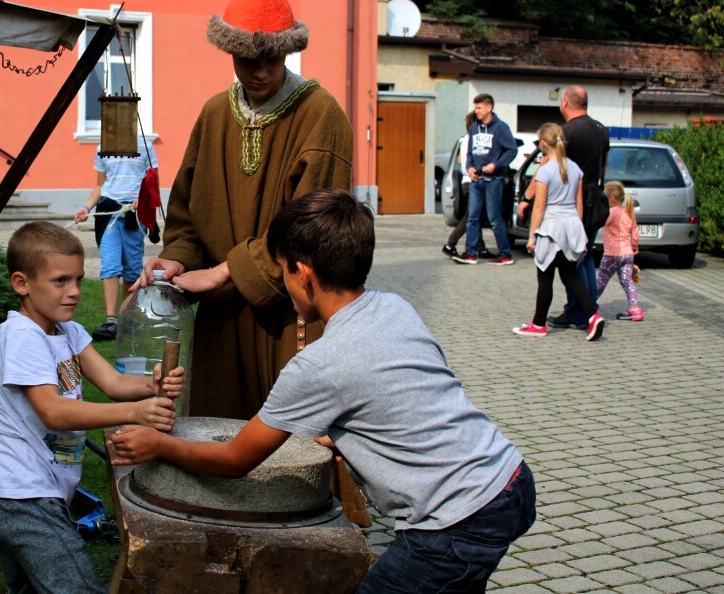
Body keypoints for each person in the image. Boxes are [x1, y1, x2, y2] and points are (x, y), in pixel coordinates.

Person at [111, 189, 536, 593]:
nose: (282, 280)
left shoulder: (319, 363)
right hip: (509, 479)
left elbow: (234, 459)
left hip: (455, 519)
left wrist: (157, 445)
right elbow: (414, 395)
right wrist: (351, 432)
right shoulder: (393, 306)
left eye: (281, 270)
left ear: (303, 273)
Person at [137, 0, 353, 420]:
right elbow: (187, 218)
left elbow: (315, 232)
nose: (258, 71)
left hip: (293, 313)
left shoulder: (321, 114)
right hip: (222, 320)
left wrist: (224, 272)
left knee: (292, 453)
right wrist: (178, 256)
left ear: (288, 51)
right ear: (230, 51)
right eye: (246, 58)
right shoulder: (216, 113)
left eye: (271, 58)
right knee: (217, 444)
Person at [0, 221, 183, 594]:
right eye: (60, 281)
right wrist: (135, 413)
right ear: (21, 283)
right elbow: (53, 411)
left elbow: (114, 382)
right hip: (21, 496)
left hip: (37, 493)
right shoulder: (21, 335)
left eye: (78, 279)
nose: (73, 292)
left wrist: (151, 385)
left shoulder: (66, 331)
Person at [513, 123, 605, 341]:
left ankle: (538, 324)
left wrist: (532, 235)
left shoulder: (545, 171)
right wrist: (578, 231)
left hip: (552, 227)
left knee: (545, 277)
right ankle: (593, 314)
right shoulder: (575, 169)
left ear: (544, 144)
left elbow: (539, 207)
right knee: (570, 275)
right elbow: (579, 204)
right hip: (571, 224)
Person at [73, 137, 158, 341]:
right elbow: (99, 185)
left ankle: (127, 318)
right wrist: (86, 208)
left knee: (131, 268)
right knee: (110, 265)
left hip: (134, 214)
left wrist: (143, 197)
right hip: (109, 212)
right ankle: (111, 321)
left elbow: (153, 180)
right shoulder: (103, 146)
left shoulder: (145, 144)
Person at [547, 85, 609, 330]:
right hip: (597, 199)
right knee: (585, 257)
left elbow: (554, 166)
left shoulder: (566, 131)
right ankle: (589, 309)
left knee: (572, 259)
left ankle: (579, 312)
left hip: (575, 203)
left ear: (564, 102)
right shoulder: (600, 129)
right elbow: (604, 164)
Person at [453, 93, 517, 265]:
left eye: (479, 108)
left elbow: (511, 150)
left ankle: (505, 254)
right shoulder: (474, 128)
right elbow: (469, 153)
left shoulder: (501, 128)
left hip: (493, 180)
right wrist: (469, 168)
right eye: (475, 107)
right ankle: (471, 253)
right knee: (473, 217)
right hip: (476, 180)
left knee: (494, 218)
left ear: (489, 108)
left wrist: (496, 165)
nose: (476, 111)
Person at [442, 111, 490, 259]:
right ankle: (451, 243)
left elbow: (460, 160)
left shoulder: (465, 139)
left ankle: (481, 248)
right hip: (472, 183)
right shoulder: (473, 140)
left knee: (475, 215)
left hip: (467, 182)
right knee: (471, 216)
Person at [596, 181, 644, 322]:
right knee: (627, 282)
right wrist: (634, 246)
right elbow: (635, 232)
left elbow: (601, 222)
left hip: (612, 254)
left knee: (601, 281)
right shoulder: (628, 212)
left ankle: (588, 305)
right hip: (627, 254)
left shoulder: (611, 213)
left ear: (610, 198)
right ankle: (635, 309)